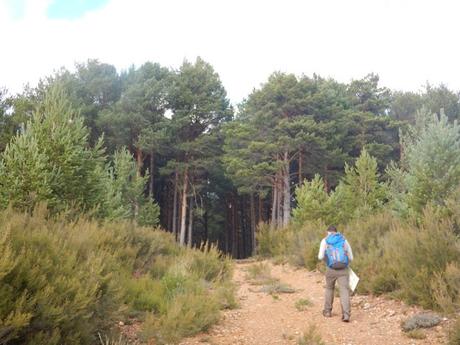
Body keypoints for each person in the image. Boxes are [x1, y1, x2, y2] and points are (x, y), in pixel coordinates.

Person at [318, 225, 354, 322]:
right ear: (336, 232)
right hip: (343, 269)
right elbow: (351, 258)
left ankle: (327, 311)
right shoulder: (343, 240)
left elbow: (320, 256)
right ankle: (346, 314)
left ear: (328, 232)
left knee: (329, 289)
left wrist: (328, 260)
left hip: (330, 269)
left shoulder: (325, 241)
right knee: (344, 291)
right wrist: (344, 262)